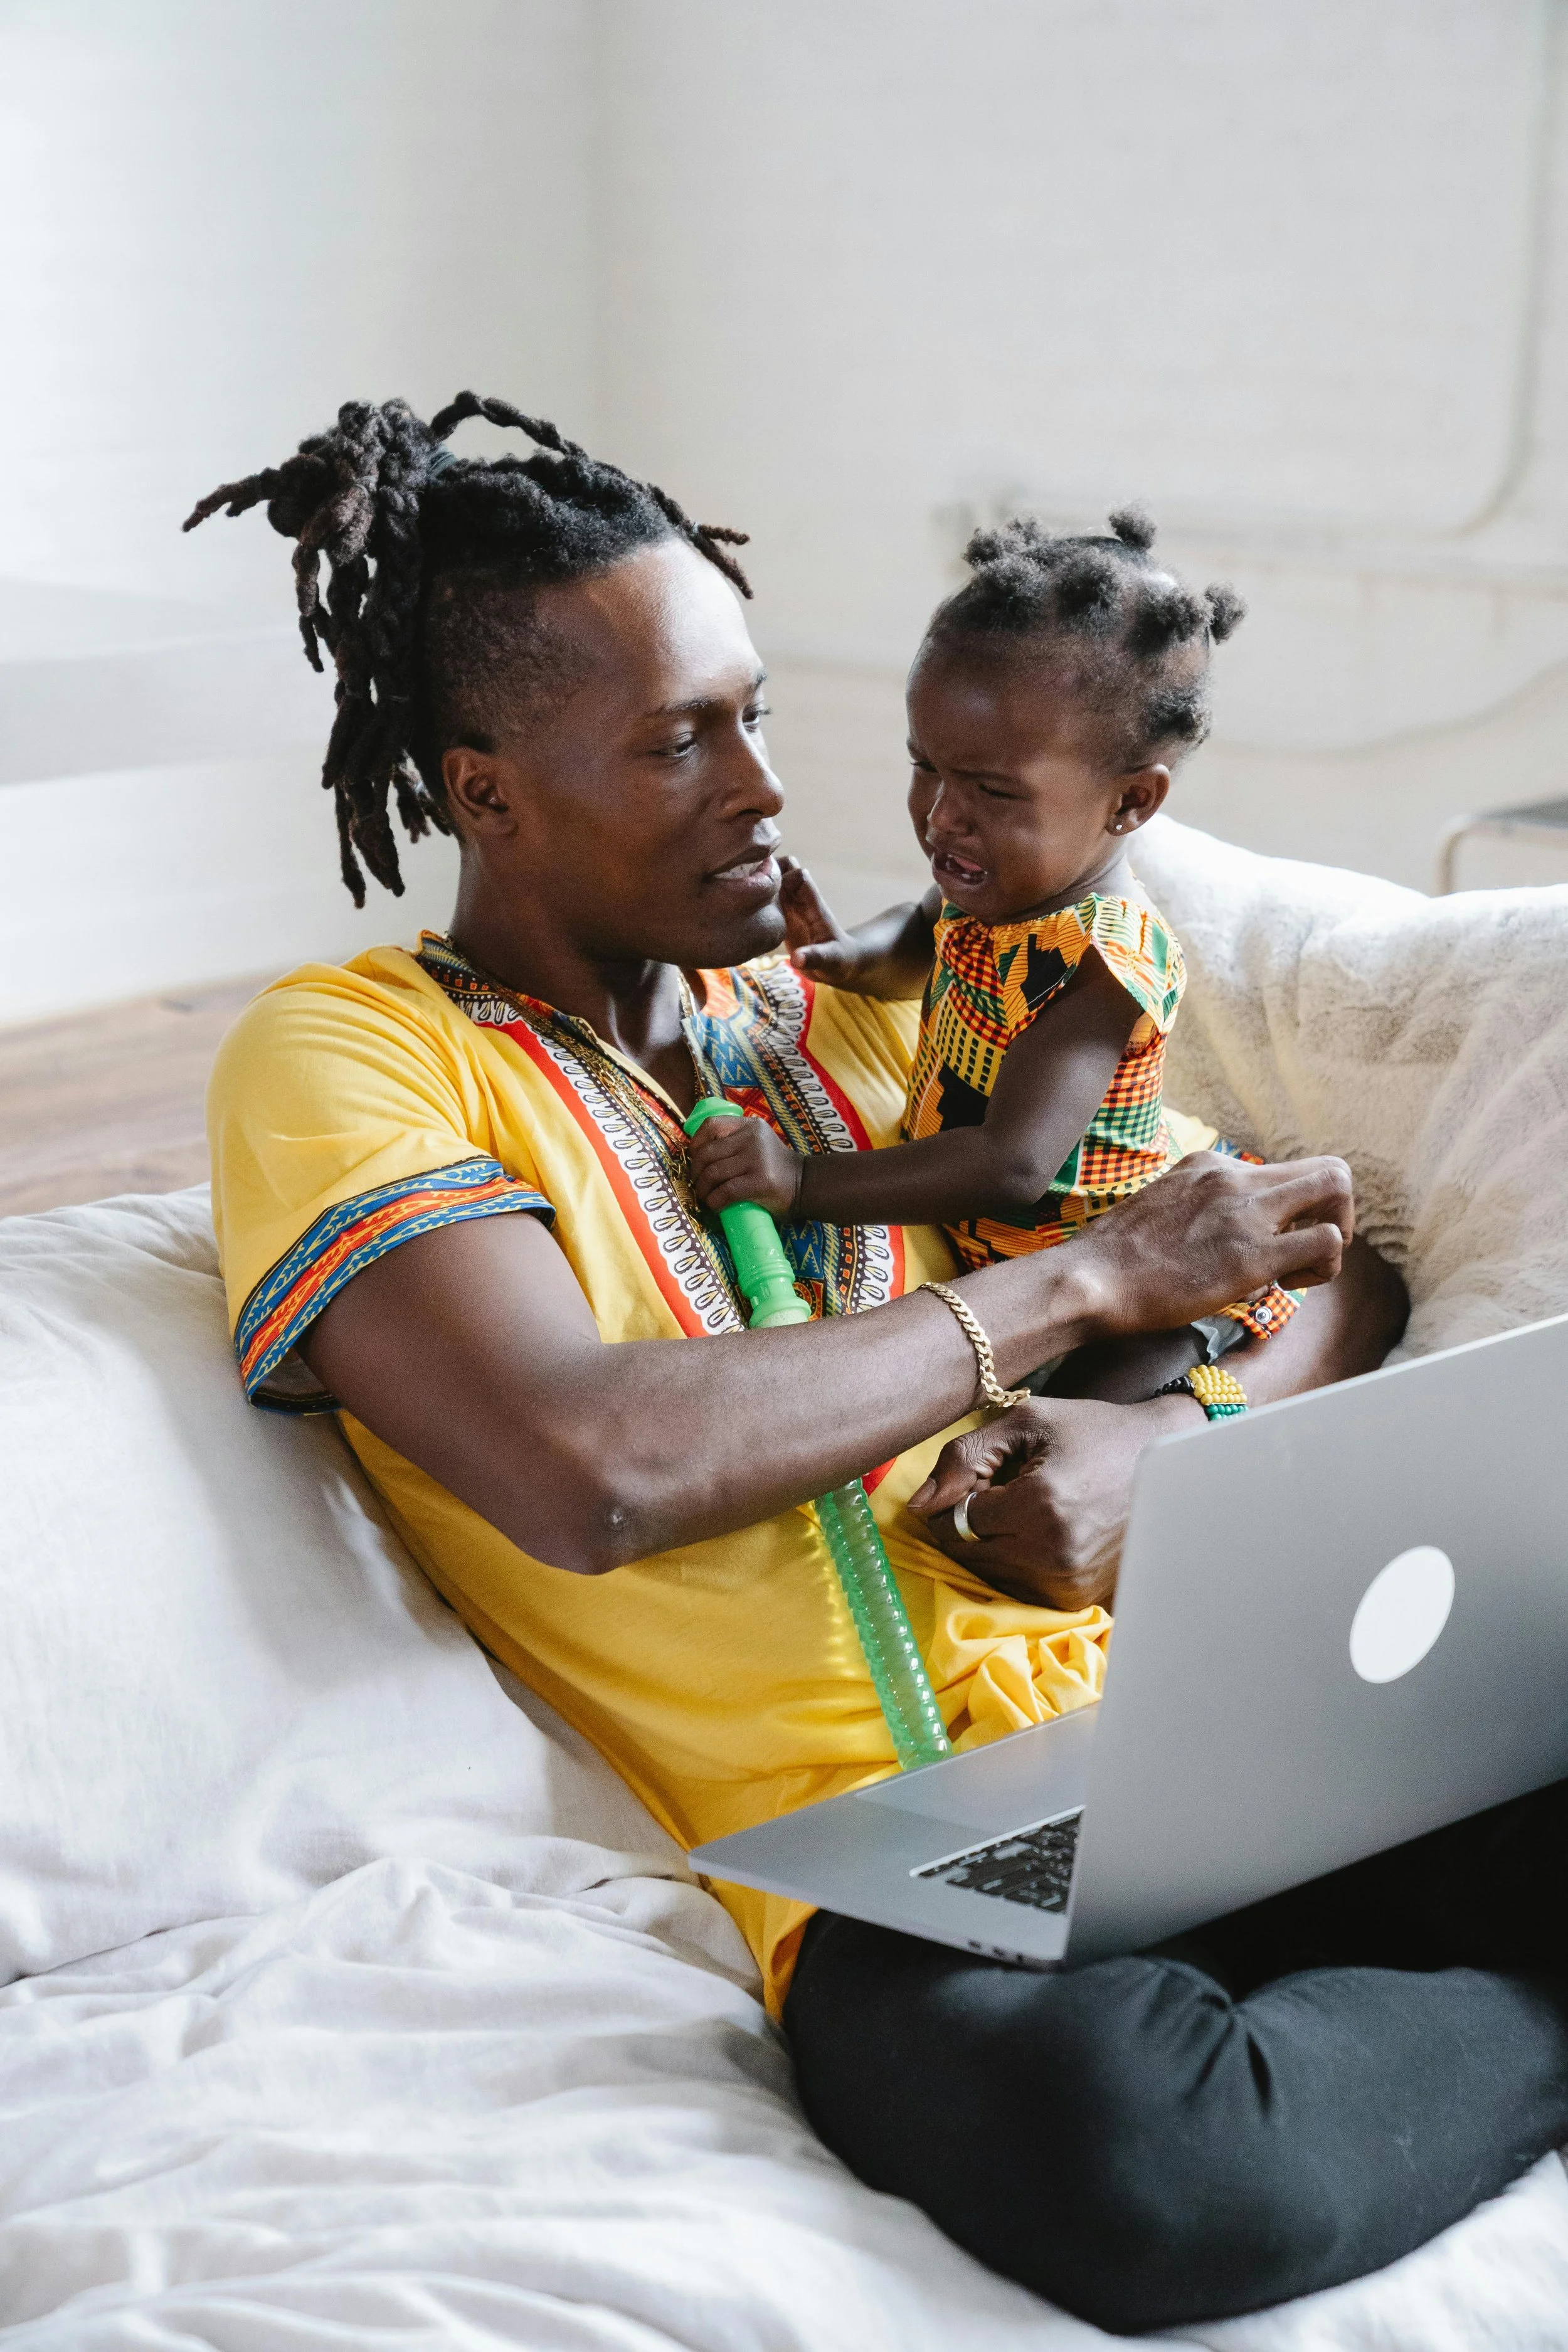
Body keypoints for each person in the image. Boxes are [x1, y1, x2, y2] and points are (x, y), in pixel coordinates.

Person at [193, 395, 1567, 2336]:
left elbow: (1312, 1257)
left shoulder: (865, 1014)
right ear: (484, 789)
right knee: (1150, 2166)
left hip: (1203, 1728)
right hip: (884, 1848)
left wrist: (1173, 1437)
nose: (765, 785)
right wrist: (1073, 1288)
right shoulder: (353, 1057)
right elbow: (587, 1463)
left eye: (752, 712)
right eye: (679, 738)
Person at [687, 508, 1301, 1417]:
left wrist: (802, 1182)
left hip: (1123, 1275)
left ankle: (1213, 1396)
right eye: (925, 766)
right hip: (1011, 1268)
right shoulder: (1000, 883)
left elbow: (1011, 1164)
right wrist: (850, 956)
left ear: (1131, 802)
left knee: (1079, 1427)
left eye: (993, 791)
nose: (942, 816)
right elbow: (920, 935)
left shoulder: (1103, 963)